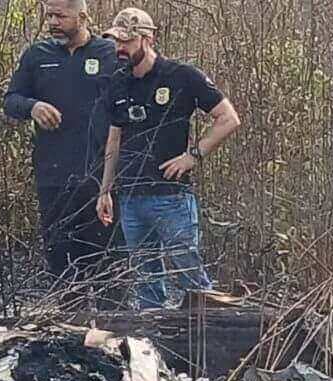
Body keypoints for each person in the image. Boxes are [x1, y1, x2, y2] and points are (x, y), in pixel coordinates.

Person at [95, 8, 241, 310]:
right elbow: (114, 138)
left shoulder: (181, 76)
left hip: (171, 195)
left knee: (190, 278)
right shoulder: (117, 82)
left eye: (127, 41)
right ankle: (155, 343)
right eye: (116, 42)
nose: (119, 49)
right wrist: (105, 190)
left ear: (148, 39)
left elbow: (228, 118)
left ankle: (211, 336)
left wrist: (192, 155)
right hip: (131, 195)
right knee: (146, 283)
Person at [2, 0, 119, 292]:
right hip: (53, 175)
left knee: (108, 264)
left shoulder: (109, 53)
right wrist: (32, 106)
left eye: (60, 16)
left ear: (82, 16)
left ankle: (111, 330)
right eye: (49, 16)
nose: (53, 22)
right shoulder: (36, 55)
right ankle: (69, 328)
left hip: (100, 176)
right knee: (62, 261)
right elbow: (11, 100)